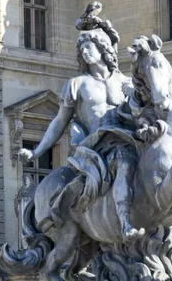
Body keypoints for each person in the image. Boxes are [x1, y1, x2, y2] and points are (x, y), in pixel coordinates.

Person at [19, 22, 143, 242]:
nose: (85, 52)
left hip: (127, 138)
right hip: (96, 146)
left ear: (103, 49)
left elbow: (142, 113)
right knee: (124, 161)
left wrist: (135, 96)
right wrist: (36, 152)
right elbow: (59, 122)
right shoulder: (77, 84)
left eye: (89, 47)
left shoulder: (126, 82)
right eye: (82, 49)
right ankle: (125, 223)